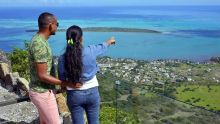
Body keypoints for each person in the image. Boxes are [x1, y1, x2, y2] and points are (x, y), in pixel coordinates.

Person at [28, 12, 81, 124]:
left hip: (42, 91)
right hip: (42, 93)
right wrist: (67, 84)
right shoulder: (39, 44)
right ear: (51, 25)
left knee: (44, 122)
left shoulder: (40, 40)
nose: (57, 26)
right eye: (57, 24)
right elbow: (42, 75)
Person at [58, 25, 115, 124]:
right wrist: (110, 41)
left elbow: (62, 80)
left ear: (68, 40)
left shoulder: (62, 58)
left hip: (74, 95)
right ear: (81, 38)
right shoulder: (90, 50)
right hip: (92, 93)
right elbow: (103, 46)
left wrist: (64, 88)